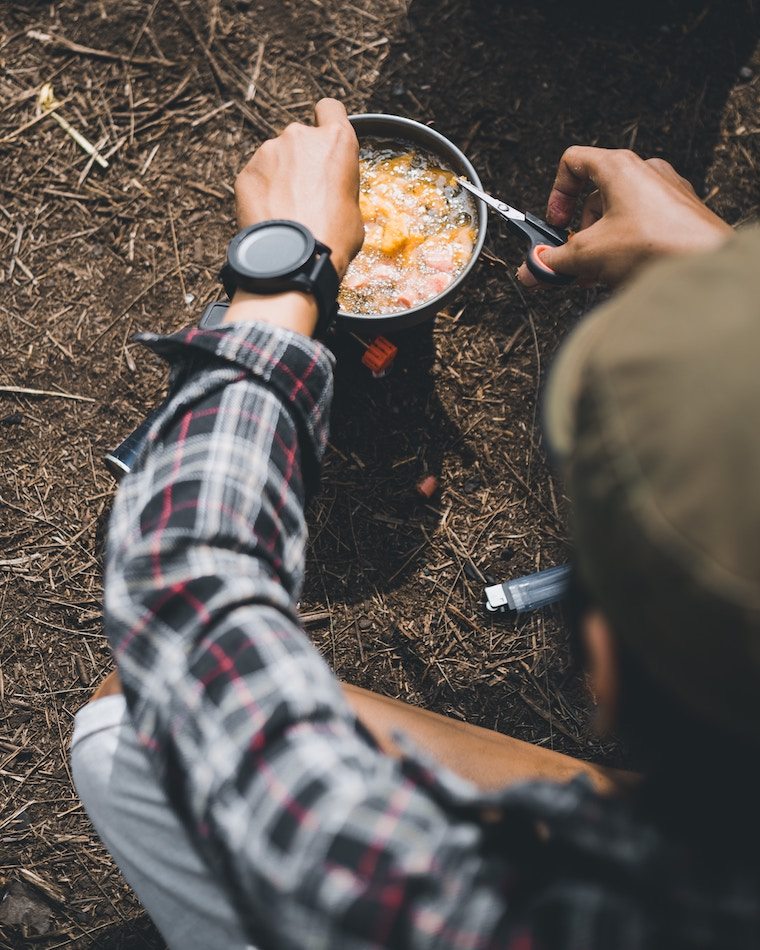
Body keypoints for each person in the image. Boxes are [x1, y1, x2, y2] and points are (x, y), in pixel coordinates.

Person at [71, 98, 760, 949]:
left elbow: (183, 607)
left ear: (602, 662)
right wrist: (722, 278)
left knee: (127, 725)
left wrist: (282, 277)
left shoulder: (474, 907)